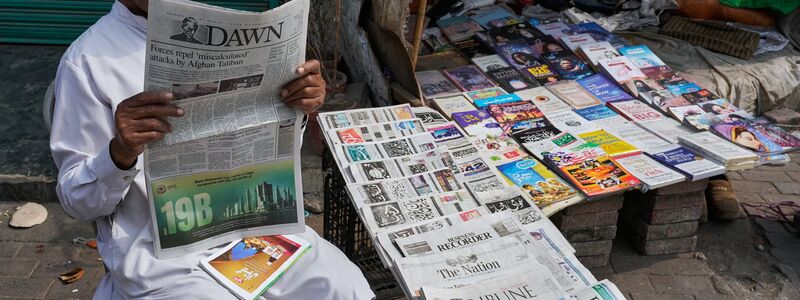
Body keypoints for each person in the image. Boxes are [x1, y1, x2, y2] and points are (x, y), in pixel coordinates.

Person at [50, 1, 374, 299]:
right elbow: (78, 202)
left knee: (345, 285)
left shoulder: (219, 31)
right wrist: (120, 151)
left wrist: (298, 108)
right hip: (164, 259)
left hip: (258, 231)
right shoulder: (86, 61)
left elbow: (273, 154)